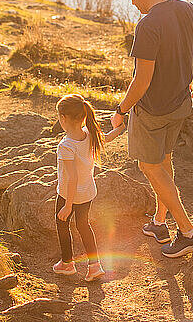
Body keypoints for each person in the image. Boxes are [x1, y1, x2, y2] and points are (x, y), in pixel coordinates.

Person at [111, 0, 193, 258]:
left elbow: (142, 80)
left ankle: (188, 231)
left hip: (152, 110)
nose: (132, 2)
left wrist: (121, 110)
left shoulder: (148, 24)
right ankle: (159, 223)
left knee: (150, 167)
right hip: (180, 104)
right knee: (164, 162)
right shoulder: (188, 9)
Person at [53, 93, 125, 281]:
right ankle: (94, 266)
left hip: (68, 194)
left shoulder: (66, 145)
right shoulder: (90, 133)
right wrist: (121, 127)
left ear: (64, 118)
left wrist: (68, 205)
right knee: (83, 226)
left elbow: (72, 178)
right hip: (88, 192)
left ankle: (67, 263)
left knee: (62, 225)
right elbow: (108, 137)